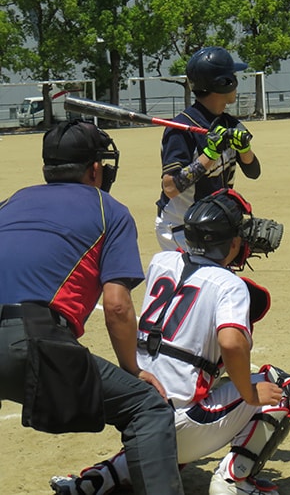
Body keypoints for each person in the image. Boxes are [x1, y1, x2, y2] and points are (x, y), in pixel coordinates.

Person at [51, 189, 290, 495]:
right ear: (233, 243)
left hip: (139, 415)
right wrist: (249, 393)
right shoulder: (231, 285)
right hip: (182, 423)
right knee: (280, 385)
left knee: (167, 440)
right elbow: (232, 343)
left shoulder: (162, 261)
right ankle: (234, 481)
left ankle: (95, 482)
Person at [0, 120, 183, 495]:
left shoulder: (10, 202)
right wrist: (133, 370)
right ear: (95, 169)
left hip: (18, 334)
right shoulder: (108, 209)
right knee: (146, 408)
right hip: (33, 339)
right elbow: (116, 306)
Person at [156, 45, 262, 250]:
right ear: (224, 83)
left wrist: (244, 149)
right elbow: (169, 188)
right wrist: (210, 154)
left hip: (211, 224)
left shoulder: (229, 123)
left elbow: (254, 172)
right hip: (180, 227)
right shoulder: (181, 129)